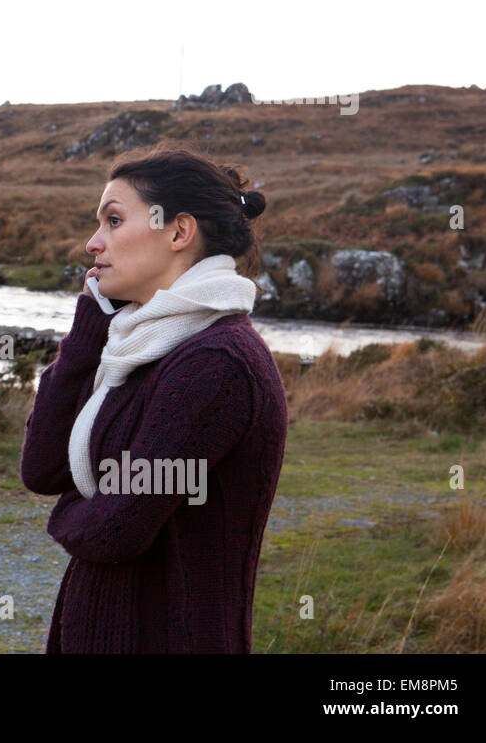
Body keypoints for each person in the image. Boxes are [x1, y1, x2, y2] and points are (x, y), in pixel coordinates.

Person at [20, 146, 288, 652]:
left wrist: (66, 514)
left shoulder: (218, 364)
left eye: (114, 220)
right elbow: (42, 470)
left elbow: (114, 530)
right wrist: (88, 331)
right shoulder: (137, 348)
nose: (92, 242)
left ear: (179, 232)